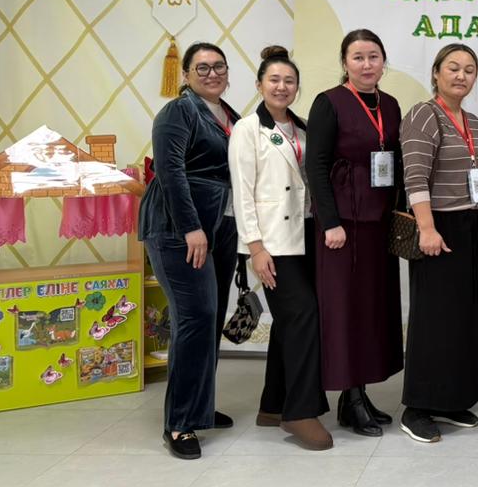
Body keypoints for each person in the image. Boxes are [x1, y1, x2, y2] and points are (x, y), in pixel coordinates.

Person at [138, 41, 240, 460]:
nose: (212, 73)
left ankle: (199, 407)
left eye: (219, 66)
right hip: (178, 228)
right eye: (202, 68)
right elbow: (170, 171)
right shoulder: (177, 112)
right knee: (194, 317)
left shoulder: (230, 115)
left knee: (210, 317)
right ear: (185, 74)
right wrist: (190, 227)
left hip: (221, 226)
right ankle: (179, 424)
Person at [229, 46, 332, 450]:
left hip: (305, 237)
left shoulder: (303, 128)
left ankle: (272, 405)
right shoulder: (247, 129)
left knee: (291, 320)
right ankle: (300, 411)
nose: (282, 86)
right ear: (259, 85)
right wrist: (255, 248)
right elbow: (242, 194)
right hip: (271, 243)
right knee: (303, 315)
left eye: (289, 80)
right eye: (274, 79)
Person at [305, 29, 404, 437]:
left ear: (383, 61)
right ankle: (351, 394)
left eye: (373, 57)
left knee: (371, 308)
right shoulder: (328, 102)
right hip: (342, 225)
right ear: (345, 62)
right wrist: (329, 222)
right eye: (358, 57)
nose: (367, 65)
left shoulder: (391, 104)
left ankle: (357, 395)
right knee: (345, 309)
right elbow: (315, 165)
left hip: (378, 221)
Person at [398, 44, 478, 444]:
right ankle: (417, 407)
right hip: (438, 226)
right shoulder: (424, 114)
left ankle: (451, 399)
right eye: (453, 68)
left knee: (463, 317)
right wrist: (427, 228)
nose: (461, 76)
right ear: (436, 73)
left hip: (473, 223)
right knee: (433, 318)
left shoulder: (472, 120)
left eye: (469, 69)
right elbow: (415, 177)